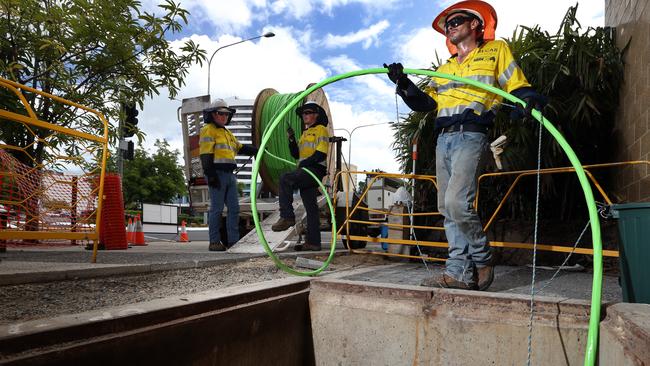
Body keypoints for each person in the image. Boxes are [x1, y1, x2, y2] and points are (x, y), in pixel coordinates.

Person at [384, 0, 546, 290]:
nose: (450, 26)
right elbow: (425, 103)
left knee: (458, 203)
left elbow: (516, 83)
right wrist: (404, 83)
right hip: (443, 138)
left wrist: (529, 97)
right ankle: (458, 272)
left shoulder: (495, 51)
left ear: (475, 24)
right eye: (448, 25)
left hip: (472, 134)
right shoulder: (446, 67)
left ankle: (483, 259)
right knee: (446, 208)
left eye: (456, 21)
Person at [271, 101, 330, 251]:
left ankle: (287, 217)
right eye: (304, 113)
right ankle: (314, 243)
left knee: (285, 178)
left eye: (308, 112)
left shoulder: (321, 130)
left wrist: (304, 164)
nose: (305, 115)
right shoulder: (304, 134)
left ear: (316, 115)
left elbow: (320, 154)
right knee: (311, 208)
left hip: (314, 169)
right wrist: (291, 139)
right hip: (306, 171)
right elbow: (296, 154)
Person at [200, 99, 258, 251]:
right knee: (217, 209)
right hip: (217, 174)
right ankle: (214, 242)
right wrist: (210, 174)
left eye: (226, 114)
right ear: (212, 114)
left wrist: (256, 149)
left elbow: (240, 147)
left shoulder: (228, 133)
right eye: (220, 113)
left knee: (234, 209)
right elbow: (205, 154)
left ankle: (233, 242)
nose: (224, 116)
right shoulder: (208, 129)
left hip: (230, 176)